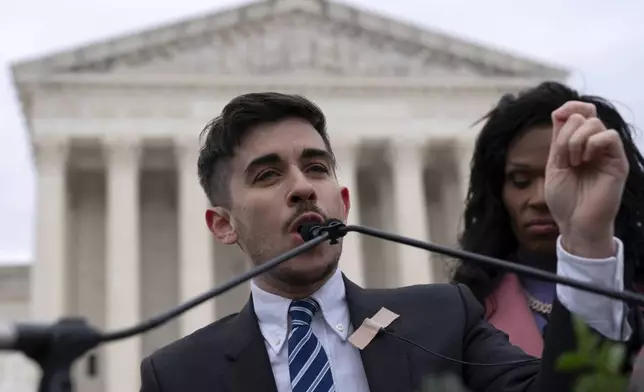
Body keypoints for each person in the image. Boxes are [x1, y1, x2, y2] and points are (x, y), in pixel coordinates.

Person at [139, 91, 640, 392]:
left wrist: (586, 236)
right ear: (222, 224)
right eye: (268, 175)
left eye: (316, 167)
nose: (302, 186)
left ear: (345, 202)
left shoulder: (445, 318)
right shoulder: (180, 374)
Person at [452, 81, 644, 358]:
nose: (543, 197)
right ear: (496, 194)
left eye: (572, 175)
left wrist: (588, 239)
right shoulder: (465, 317)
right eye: (520, 181)